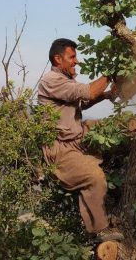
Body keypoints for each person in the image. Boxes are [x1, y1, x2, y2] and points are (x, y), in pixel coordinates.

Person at [38, 38, 124, 242]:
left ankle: (115, 173)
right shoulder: (51, 80)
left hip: (77, 136)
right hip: (60, 148)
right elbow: (87, 91)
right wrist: (112, 72)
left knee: (114, 128)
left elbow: (82, 103)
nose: (76, 61)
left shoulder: (66, 80)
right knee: (94, 177)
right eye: (72, 57)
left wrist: (105, 95)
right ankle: (99, 230)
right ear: (58, 59)